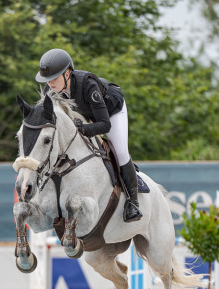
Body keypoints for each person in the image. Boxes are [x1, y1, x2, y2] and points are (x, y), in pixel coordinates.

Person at [35, 48, 142, 223]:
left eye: (54, 78)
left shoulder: (88, 84)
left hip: (111, 111)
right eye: (47, 80)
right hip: (86, 114)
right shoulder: (51, 91)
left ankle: (133, 202)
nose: (50, 84)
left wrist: (84, 129)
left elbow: (105, 124)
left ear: (67, 74)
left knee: (121, 151)